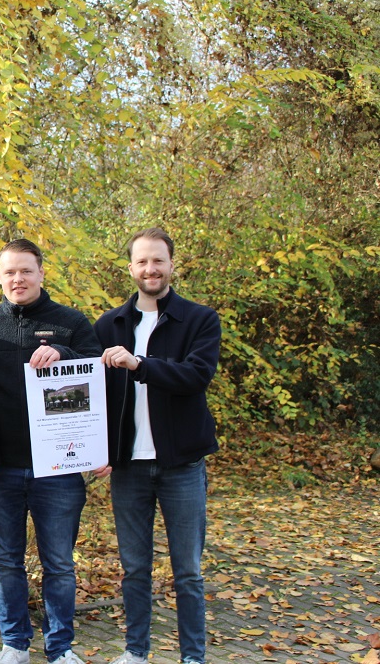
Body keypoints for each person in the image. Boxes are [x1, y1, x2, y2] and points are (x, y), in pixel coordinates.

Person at [0, 239, 103, 664]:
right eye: (9, 272)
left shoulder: (71, 322)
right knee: (7, 562)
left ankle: (60, 648)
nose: (18, 279)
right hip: (0, 470)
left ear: (42, 273)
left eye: (26, 270)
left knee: (59, 563)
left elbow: (97, 372)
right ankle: (15, 644)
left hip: (58, 467)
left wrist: (63, 353)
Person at [94, 227, 221, 664]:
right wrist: (97, 449)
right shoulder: (109, 324)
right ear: (131, 268)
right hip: (129, 468)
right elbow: (94, 394)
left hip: (181, 466)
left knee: (187, 572)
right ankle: (136, 652)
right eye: (143, 261)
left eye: (158, 261)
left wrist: (139, 364)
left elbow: (196, 376)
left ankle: (192, 657)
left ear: (171, 265)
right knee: (134, 569)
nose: (151, 269)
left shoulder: (199, 319)